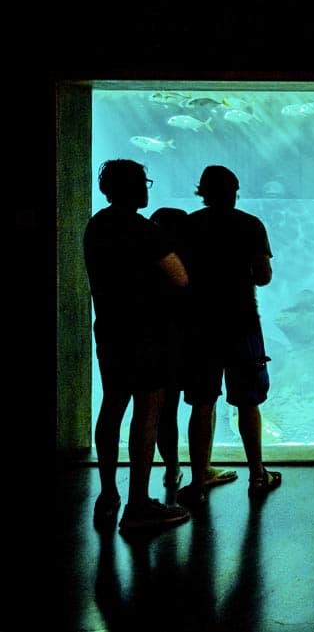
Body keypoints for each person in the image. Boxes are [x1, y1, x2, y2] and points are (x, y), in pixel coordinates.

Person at [84, 159, 191, 532]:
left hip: (110, 330)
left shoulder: (96, 226)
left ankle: (108, 492)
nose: (147, 188)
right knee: (148, 410)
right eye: (144, 182)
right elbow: (179, 278)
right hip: (146, 333)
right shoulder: (145, 230)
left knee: (112, 406)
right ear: (133, 187)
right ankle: (139, 504)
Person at [178, 165, 281, 505]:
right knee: (248, 401)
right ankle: (257, 475)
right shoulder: (250, 225)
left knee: (202, 402)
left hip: (199, 325)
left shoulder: (189, 225)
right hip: (242, 323)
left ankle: (198, 479)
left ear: (202, 192)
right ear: (235, 191)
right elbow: (263, 276)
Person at [149, 207, 239, 496]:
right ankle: (200, 475)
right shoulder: (200, 259)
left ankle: (172, 467)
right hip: (203, 340)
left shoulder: (153, 263)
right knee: (202, 405)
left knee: (166, 410)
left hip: (164, 343)